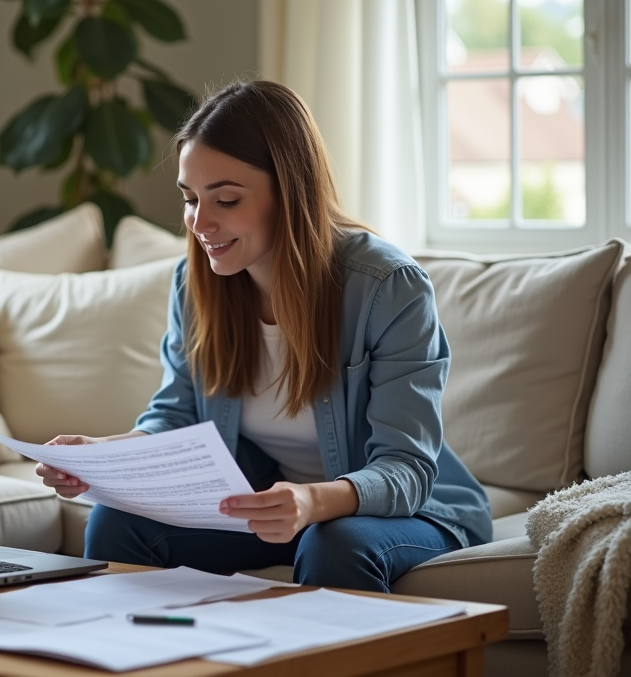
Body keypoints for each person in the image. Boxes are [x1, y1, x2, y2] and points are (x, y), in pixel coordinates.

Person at [36, 79, 492, 593]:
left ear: (289, 191)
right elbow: (176, 415)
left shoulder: (387, 287)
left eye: (225, 200)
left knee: (332, 542)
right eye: (190, 199)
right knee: (117, 521)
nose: (199, 223)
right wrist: (103, 457)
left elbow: (406, 468)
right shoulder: (197, 284)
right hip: (274, 506)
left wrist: (312, 501)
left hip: (401, 512)